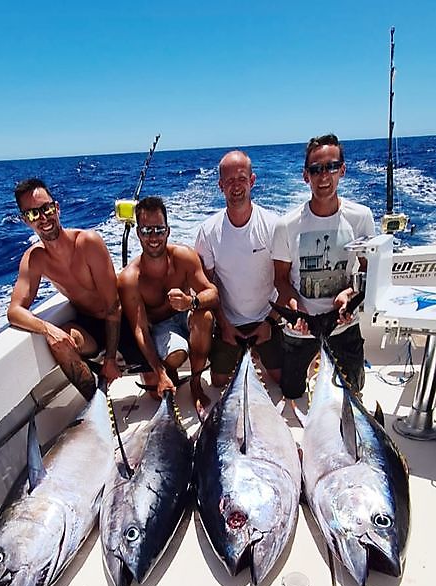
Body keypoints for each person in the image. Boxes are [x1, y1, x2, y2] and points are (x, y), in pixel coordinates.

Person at [273, 133, 376, 399]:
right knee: (292, 393)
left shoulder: (361, 217)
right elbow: (280, 279)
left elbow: (369, 271)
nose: (324, 176)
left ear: (342, 170)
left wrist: (349, 294)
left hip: (344, 324)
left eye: (331, 167)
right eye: (316, 169)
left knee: (353, 393)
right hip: (302, 328)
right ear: (305, 176)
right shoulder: (286, 225)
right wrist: (294, 306)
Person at [8, 178, 121, 401]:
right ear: (25, 220)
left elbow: (114, 306)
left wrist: (110, 358)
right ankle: (96, 402)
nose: (43, 218)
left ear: (57, 208)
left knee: (156, 390)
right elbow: (14, 311)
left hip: (119, 322)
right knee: (57, 342)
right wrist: (48, 329)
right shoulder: (35, 259)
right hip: (89, 327)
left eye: (46, 208)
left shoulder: (88, 242)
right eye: (33, 214)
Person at [117, 196, 218, 415]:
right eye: (146, 231)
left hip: (187, 315)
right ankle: (166, 372)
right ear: (138, 233)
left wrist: (191, 302)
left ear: (168, 231)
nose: (153, 237)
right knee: (162, 383)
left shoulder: (184, 257)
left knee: (205, 317)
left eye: (159, 230)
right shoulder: (130, 278)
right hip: (160, 327)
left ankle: (195, 384)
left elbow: (213, 293)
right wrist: (160, 372)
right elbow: (140, 329)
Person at [195, 150, 282, 388]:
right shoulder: (208, 231)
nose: (236, 186)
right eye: (229, 181)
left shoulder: (273, 226)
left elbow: (285, 281)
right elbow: (207, 288)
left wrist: (270, 323)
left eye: (242, 179)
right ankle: (248, 354)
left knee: (281, 380)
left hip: (267, 319)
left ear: (252, 181)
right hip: (229, 322)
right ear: (220, 186)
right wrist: (224, 325)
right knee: (218, 382)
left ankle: (258, 353)